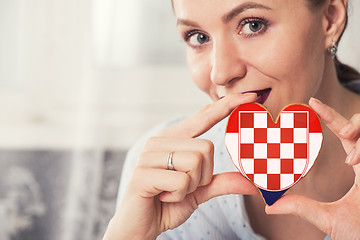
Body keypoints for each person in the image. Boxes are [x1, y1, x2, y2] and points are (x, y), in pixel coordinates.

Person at [103, 0, 360, 239]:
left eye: (253, 25)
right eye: (199, 37)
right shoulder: (164, 167)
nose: (221, 73)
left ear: (330, 18)